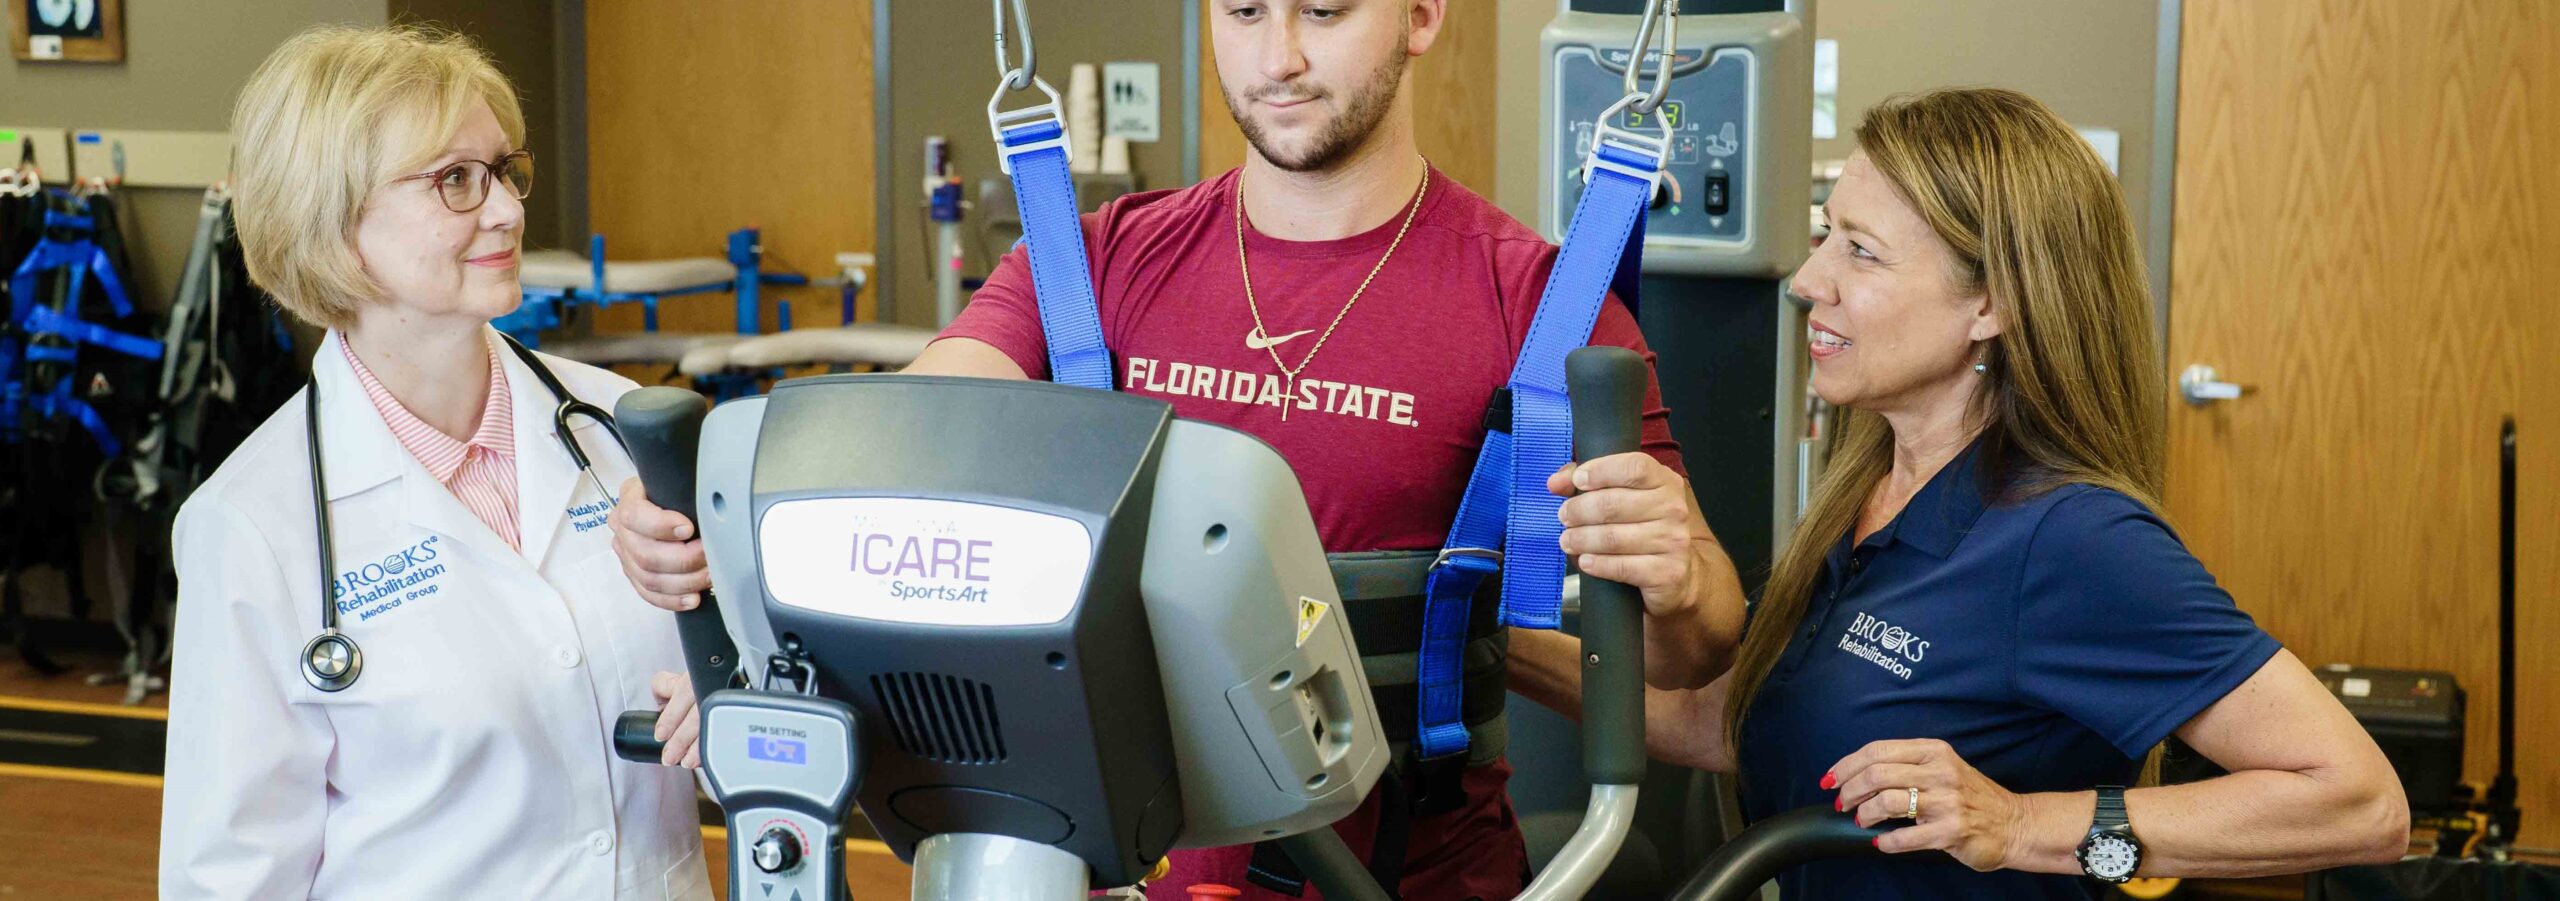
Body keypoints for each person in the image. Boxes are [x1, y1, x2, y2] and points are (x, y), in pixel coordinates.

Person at [611, 1, 1751, 897]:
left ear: (1421, 16)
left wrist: (1686, 576)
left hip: (1406, 872)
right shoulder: (1100, 265)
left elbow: (1687, 656)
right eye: (1244, 12)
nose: (1278, 57)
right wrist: (713, 537)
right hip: (1111, 866)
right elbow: (906, 447)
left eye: (1323, 12)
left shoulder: (1539, 303)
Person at [1511, 87, 2409, 899]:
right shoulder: (1873, 492)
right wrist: (1480, 643)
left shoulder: (2072, 538)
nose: (1808, 280)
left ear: (1992, 305)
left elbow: (2359, 804)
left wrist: (2024, 825)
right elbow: (1734, 723)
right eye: (1828, 234)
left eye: (1860, 252)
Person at [161, 25, 711, 899]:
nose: (507, 210)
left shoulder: (618, 427)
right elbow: (231, 876)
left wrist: (731, 699)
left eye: (501, 170)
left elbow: (761, 729)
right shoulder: (252, 525)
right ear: (335, 226)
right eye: (455, 180)